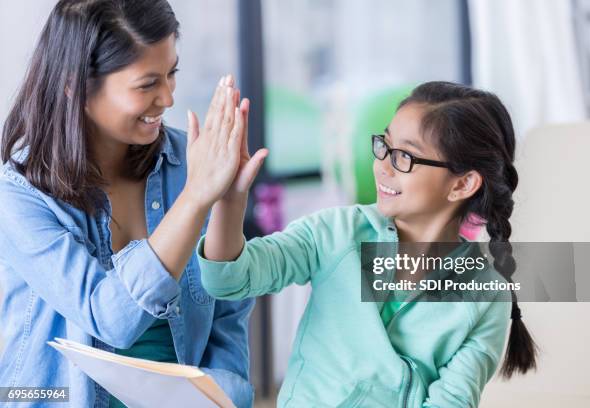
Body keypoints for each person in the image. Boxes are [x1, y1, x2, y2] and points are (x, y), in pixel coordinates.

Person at [198, 81, 538, 407]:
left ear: (462, 184)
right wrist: (228, 201)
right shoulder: (336, 232)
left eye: (404, 157)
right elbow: (229, 280)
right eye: (384, 146)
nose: (382, 166)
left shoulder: (486, 294)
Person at [0, 1, 265, 407]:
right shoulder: (19, 192)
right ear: (77, 86)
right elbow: (109, 318)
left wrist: (228, 202)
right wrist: (196, 198)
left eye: (172, 73)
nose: (168, 98)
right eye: (147, 84)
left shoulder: (189, 160)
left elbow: (227, 310)